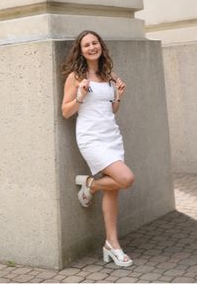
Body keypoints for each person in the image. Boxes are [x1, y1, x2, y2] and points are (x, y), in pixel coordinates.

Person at [62, 30, 134, 269]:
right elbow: (66, 112)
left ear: (101, 46)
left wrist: (119, 98)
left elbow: (111, 110)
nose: (92, 47)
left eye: (95, 43)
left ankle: (112, 244)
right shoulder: (75, 77)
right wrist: (80, 96)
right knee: (126, 179)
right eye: (86, 45)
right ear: (80, 51)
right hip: (91, 138)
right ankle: (90, 184)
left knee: (113, 191)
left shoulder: (109, 75)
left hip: (112, 136)